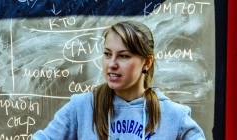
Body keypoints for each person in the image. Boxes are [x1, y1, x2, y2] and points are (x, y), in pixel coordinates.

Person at [32, 20, 205, 140]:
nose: (112, 64)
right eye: (107, 54)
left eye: (123, 56)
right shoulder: (81, 108)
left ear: (147, 62)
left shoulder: (175, 116)